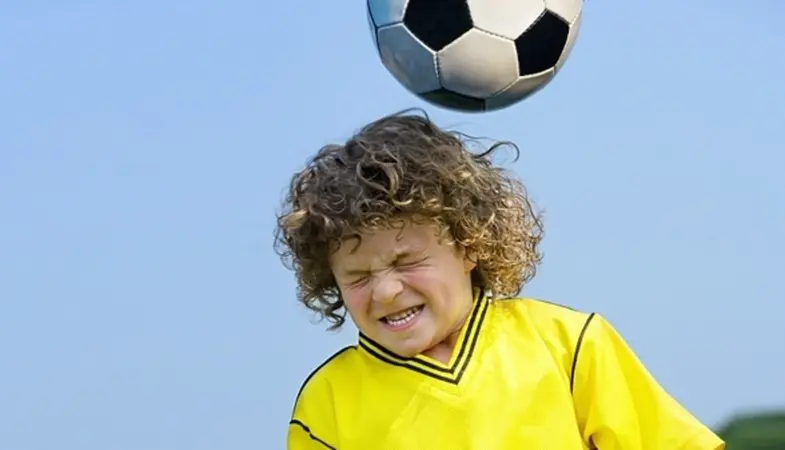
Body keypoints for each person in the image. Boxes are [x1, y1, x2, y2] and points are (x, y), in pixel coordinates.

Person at [274, 109, 724, 449]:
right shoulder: (326, 406)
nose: (386, 291)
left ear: (469, 243)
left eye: (407, 262)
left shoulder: (568, 346)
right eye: (358, 276)